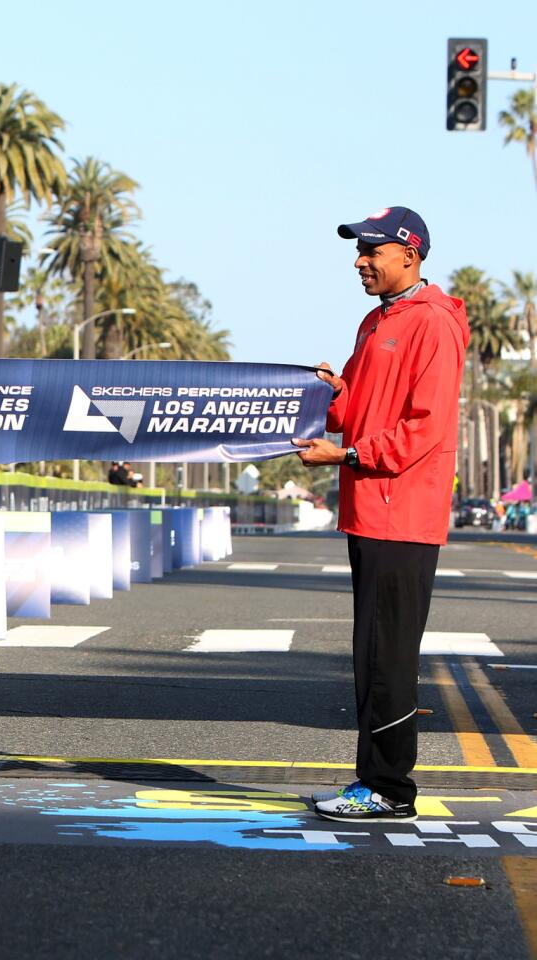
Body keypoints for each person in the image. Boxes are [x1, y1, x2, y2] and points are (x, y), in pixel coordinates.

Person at [294, 206, 468, 823]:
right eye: (358, 249)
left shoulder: (433, 324)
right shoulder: (377, 321)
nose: (359, 260)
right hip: (370, 510)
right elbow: (358, 410)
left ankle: (389, 789)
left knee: (387, 653)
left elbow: (426, 425)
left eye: (371, 250)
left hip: (403, 514)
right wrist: (331, 393)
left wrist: (349, 453)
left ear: (410, 254)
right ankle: (375, 780)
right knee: (372, 650)